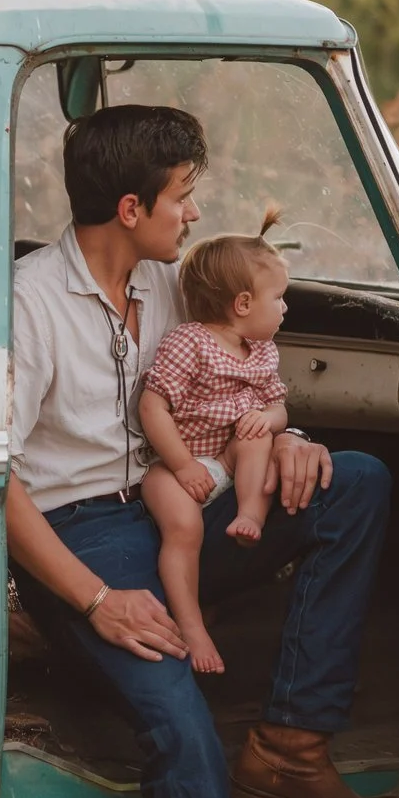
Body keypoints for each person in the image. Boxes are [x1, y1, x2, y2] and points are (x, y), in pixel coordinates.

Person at [6, 104, 399, 798]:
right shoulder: (30, 301)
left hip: (179, 504)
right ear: (132, 203)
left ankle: (290, 747)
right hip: (78, 543)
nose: (196, 215)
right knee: (179, 730)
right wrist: (97, 601)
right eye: (184, 197)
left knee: (357, 482)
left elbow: (224, 394)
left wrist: (289, 441)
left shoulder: (171, 286)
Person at [137, 218, 292, 675]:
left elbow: (280, 409)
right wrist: (182, 466)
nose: (285, 308)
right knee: (183, 529)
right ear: (242, 303)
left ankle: (249, 513)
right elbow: (152, 409)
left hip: (226, 458)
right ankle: (192, 625)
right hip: (173, 463)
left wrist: (266, 418)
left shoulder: (262, 352)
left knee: (258, 434)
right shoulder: (190, 343)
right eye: (278, 298)